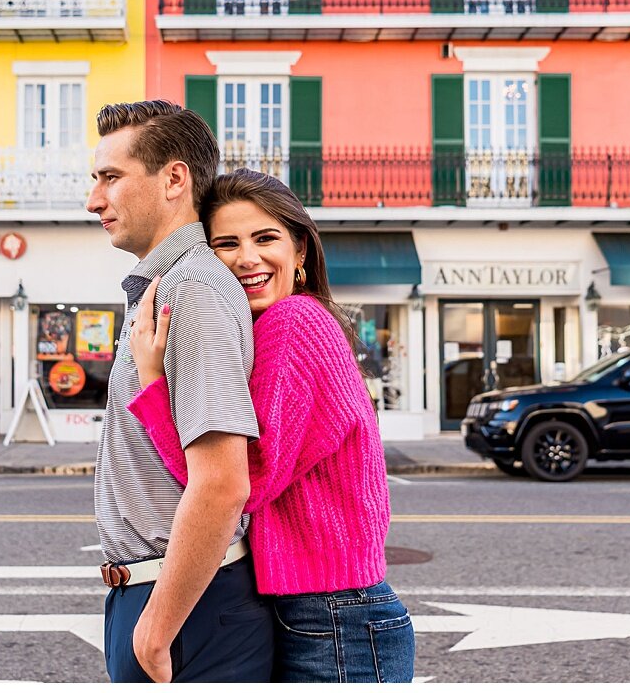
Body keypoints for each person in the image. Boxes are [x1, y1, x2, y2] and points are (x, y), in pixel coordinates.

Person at [126, 167, 416, 683]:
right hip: (327, 610)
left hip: (333, 617)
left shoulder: (293, 325)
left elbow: (243, 479)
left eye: (265, 238)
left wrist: (152, 383)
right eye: (226, 244)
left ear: (300, 251)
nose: (247, 259)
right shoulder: (284, 327)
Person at [86, 100, 272, 683]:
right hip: (173, 598)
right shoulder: (167, 286)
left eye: (110, 177)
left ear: (173, 179)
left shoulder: (191, 290)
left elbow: (222, 482)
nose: (94, 200)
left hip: (186, 608)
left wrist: (156, 628)